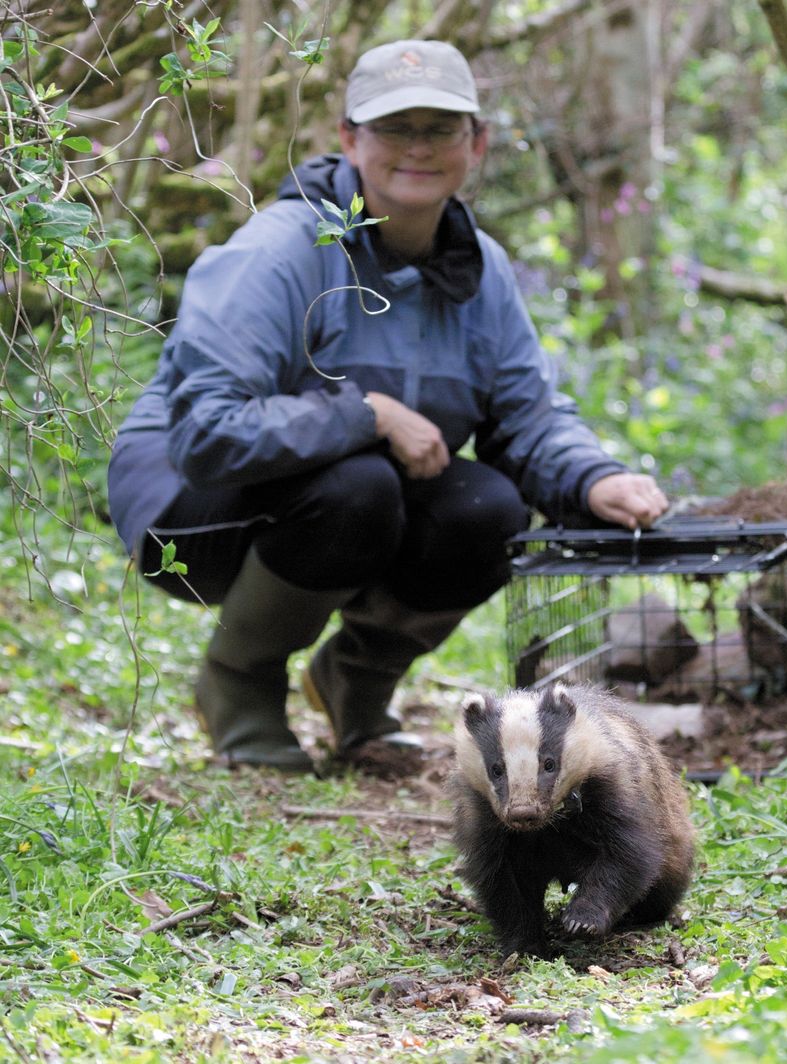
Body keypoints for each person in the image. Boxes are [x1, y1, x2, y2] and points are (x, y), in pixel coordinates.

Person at [107, 39, 668, 774]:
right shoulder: (278, 252)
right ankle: (239, 684)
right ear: (348, 139)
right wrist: (367, 413)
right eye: (394, 128)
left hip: (343, 498)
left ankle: (355, 683)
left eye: (440, 128)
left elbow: (525, 416)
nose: (418, 148)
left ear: (477, 142)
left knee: (487, 509)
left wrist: (594, 477)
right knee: (357, 488)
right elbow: (207, 433)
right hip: (184, 507)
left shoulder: (482, 269)